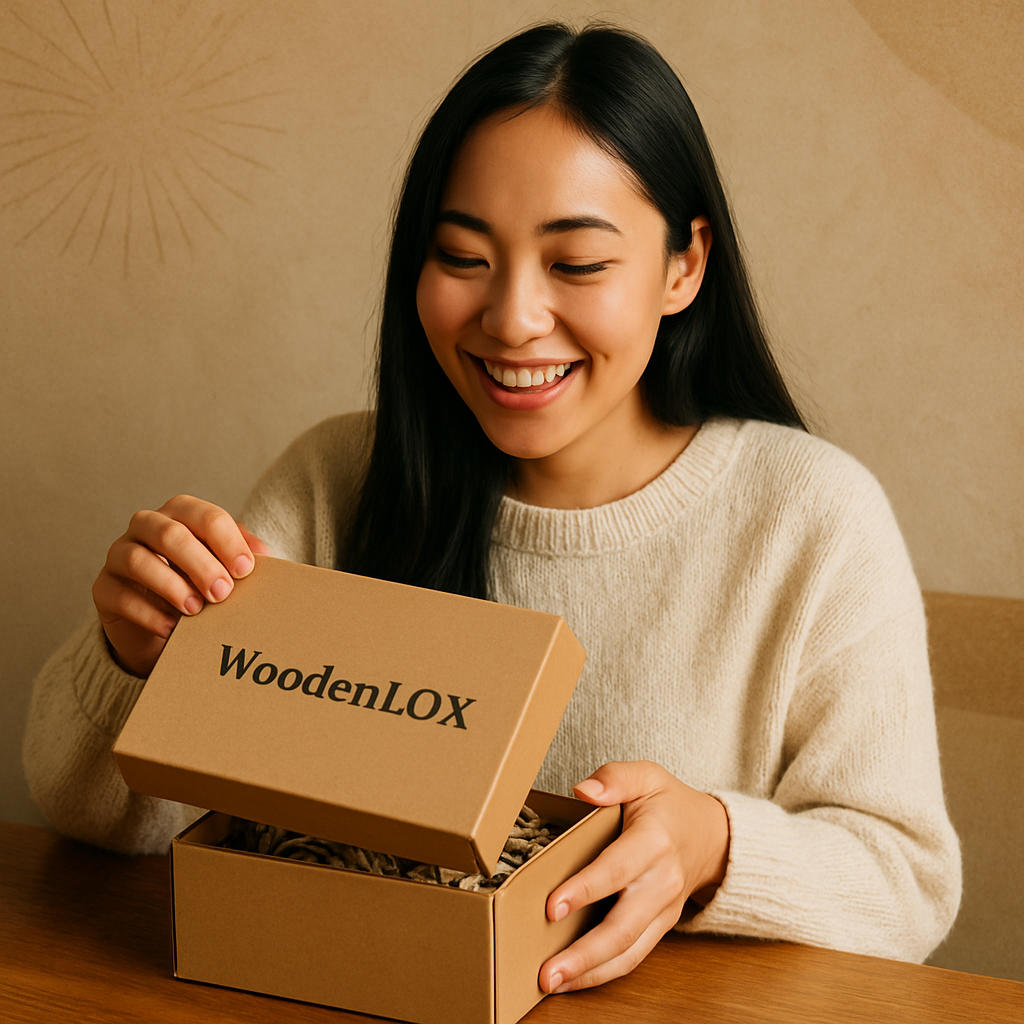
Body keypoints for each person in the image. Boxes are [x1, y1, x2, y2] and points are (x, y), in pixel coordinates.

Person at [23, 22, 960, 996]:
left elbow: (908, 883)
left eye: (577, 264)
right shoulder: (337, 477)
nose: (512, 318)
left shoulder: (809, 518)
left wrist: (714, 845)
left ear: (684, 265)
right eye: (463, 255)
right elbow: (101, 820)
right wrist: (134, 661)